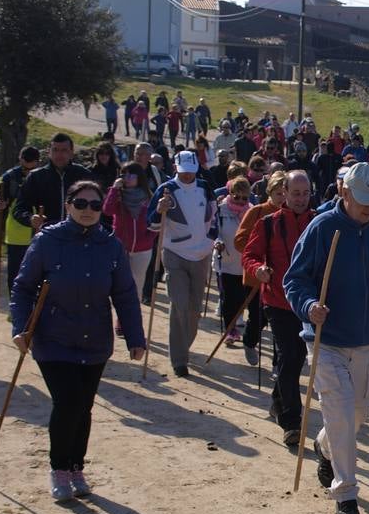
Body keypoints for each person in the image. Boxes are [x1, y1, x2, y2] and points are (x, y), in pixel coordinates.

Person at [10, 180, 146, 501]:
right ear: (68, 205)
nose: (88, 211)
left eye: (95, 205)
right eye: (81, 204)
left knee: (83, 407)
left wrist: (135, 338)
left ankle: (76, 467)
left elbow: (125, 295)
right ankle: (58, 468)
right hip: (53, 339)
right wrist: (21, 327)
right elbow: (23, 287)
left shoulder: (111, 246)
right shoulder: (47, 241)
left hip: (94, 340)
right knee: (68, 401)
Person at [283, 163, 369, 514]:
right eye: (363, 200)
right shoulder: (321, 228)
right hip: (326, 341)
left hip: (367, 342)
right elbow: (294, 280)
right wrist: (309, 307)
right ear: (344, 193)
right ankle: (346, 493)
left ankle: (323, 444)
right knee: (341, 414)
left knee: (357, 415)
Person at [243, 170, 315, 450]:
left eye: (305, 193)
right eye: (296, 193)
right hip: (278, 301)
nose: (300, 199)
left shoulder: (318, 222)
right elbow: (249, 254)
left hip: (308, 303)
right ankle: (292, 423)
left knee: (294, 359)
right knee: (291, 355)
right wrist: (257, 269)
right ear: (284, 192)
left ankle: (277, 401)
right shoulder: (268, 223)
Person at [148, 151, 218, 378]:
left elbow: (215, 215)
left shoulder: (205, 187)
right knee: (178, 303)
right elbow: (152, 224)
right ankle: (179, 359)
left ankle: (183, 345)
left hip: (201, 255)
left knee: (194, 309)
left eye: (191, 172)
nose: (187, 176)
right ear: (176, 168)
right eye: (183, 172)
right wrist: (160, 210)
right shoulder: (166, 190)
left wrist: (212, 239)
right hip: (175, 253)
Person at [13, 134, 91, 233]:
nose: (59, 154)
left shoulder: (84, 175)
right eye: (55, 150)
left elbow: (98, 207)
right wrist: (30, 219)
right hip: (47, 237)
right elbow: (19, 209)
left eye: (64, 150)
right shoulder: (36, 177)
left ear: (71, 152)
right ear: (49, 152)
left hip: (79, 237)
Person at [102, 161, 156, 302]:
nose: (126, 178)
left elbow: (156, 221)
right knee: (118, 284)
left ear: (139, 177)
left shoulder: (149, 197)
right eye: (123, 174)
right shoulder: (117, 195)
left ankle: (132, 319)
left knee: (137, 285)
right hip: (120, 248)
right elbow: (107, 211)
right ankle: (120, 320)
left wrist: (148, 238)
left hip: (143, 250)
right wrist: (114, 189)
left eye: (130, 174)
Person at [213, 177, 255, 350]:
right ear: (229, 193)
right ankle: (230, 331)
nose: (240, 201)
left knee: (240, 298)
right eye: (236, 196)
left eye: (244, 198)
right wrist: (217, 241)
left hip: (244, 264)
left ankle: (235, 327)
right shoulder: (219, 210)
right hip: (225, 262)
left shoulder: (252, 211)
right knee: (228, 298)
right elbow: (213, 230)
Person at [0, 145, 40, 288]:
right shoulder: (9, 177)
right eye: (25, 169)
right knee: (15, 277)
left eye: (31, 169)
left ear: (38, 162)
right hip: (16, 235)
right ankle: (15, 308)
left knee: (37, 276)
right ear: (20, 159)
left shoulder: (44, 176)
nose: (28, 172)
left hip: (40, 233)